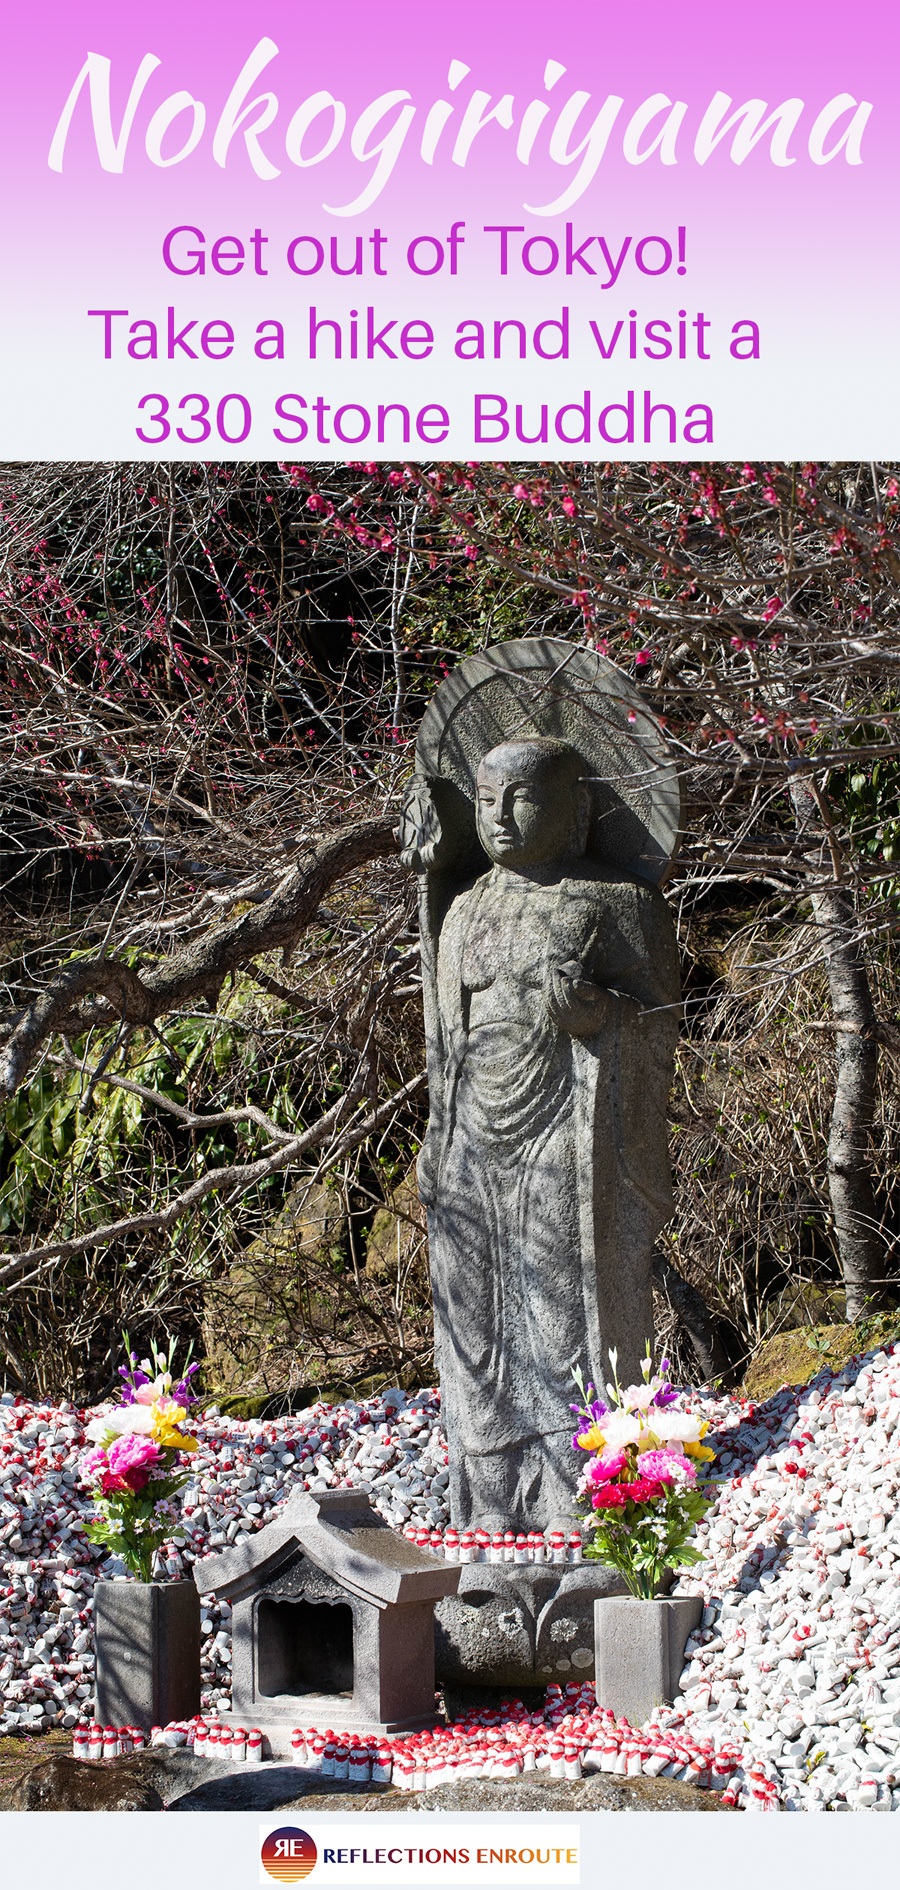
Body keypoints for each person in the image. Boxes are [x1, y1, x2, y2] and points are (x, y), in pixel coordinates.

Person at [405, 737, 680, 1529]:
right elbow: (442, 1038)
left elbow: (663, 1028)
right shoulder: (462, 908)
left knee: (559, 1313)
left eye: (522, 797)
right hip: (469, 1145)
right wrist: (438, 1140)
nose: (499, 815)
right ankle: (489, 1507)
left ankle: (580, 1501)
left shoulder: (616, 902)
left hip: (565, 1136)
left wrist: (600, 1018)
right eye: (487, 798)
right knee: (478, 1329)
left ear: (578, 808)